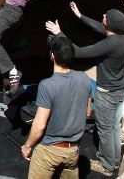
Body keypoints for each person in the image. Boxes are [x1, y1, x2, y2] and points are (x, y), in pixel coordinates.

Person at [45, 4, 124, 176]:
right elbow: (102, 28)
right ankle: (114, 160)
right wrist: (80, 16)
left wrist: (59, 33)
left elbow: (78, 52)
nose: (104, 14)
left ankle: (107, 166)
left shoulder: (109, 44)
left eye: (107, 15)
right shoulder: (122, 35)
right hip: (120, 88)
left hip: (107, 93)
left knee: (105, 129)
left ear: (111, 24)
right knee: (114, 126)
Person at [21, 35, 92, 179]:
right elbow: (88, 112)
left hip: (49, 151)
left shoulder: (47, 85)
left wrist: (27, 146)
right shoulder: (84, 78)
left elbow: (40, 125)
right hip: (73, 151)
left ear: (52, 56)